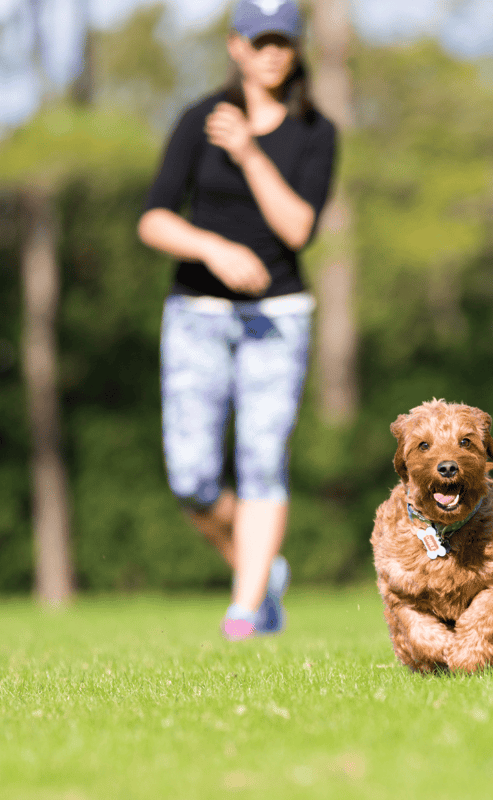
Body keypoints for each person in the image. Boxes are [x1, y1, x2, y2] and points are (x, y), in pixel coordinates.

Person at [137, 0, 336, 640]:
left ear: (296, 48)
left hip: (277, 316)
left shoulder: (315, 132)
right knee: (192, 477)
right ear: (236, 47)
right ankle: (259, 571)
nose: (271, 52)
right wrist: (212, 248)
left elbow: (298, 228)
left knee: (261, 460)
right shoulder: (198, 120)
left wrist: (251, 154)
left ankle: (245, 610)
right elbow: (155, 219)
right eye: (259, 41)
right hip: (196, 313)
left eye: (282, 41)